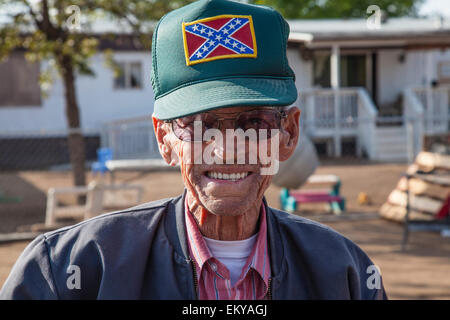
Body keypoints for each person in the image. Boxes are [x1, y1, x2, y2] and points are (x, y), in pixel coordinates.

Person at [0, 0, 387, 300]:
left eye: (254, 122)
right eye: (198, 125)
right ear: (163, 139)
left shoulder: (345, 274)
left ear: (288, 133)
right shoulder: (69, 272)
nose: (227, 149)